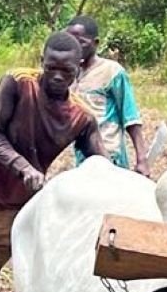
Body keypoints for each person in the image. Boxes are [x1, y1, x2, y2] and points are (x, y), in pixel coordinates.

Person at [0, 32, 110, 292]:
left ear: (79, 68)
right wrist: (23, 168)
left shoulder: (81, 116)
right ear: (42, 62)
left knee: (47, 276)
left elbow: (101, 163)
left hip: (36, 205)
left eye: (67, 71)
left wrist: (123, 181)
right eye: (52, 67)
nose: (58, 76)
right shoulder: (19, 83)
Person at [62, 15, 149, 175]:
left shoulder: (112, 72)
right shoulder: (70, 74)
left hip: (110, 156)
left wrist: (142, 160)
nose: (75, 48)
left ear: (95, 43)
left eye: (81, 42)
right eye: (70, 42)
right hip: (83, 157)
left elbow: (131, 118)